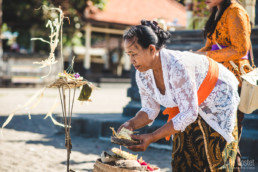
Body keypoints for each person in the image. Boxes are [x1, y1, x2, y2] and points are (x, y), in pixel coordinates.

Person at [118, 20, 240, 171]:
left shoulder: (177, 66)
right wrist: (131, 124)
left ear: (151, 49)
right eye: (128, 55)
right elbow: (149, 110)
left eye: (134, 54)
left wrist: (152, 137)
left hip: (217, 95)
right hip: (189, 105)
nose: (131, 60)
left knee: (215, 157)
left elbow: (189, 112)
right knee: (184, 158)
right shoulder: (142, 73)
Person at [197, 1, 251, 170]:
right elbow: (208, 46)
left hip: (234, 82)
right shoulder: (217, 11)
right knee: (221, 137)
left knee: (229, 137)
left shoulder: (235, 11)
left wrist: (207, 55)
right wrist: (187, 57)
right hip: (217, 82)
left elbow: (240, 49)